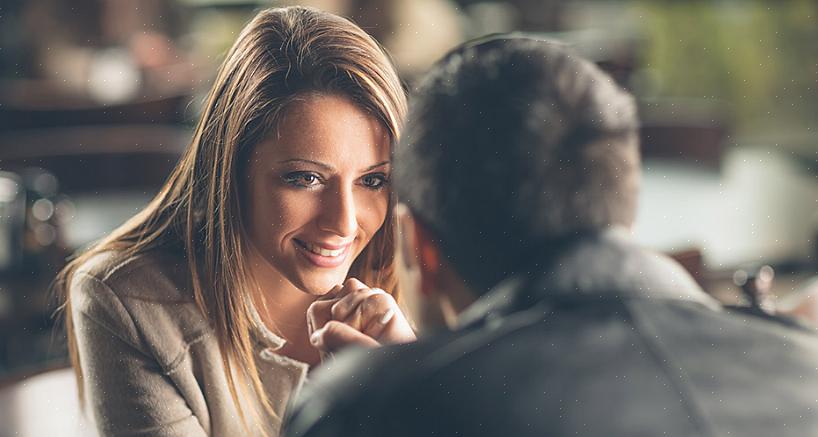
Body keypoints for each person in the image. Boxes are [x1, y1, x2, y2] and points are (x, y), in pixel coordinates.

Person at [284, 36, 818, 436]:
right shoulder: (805, 366)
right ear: (621, 209)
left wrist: (397, 386)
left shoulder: (364, 410)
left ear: (417, 245)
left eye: (374, 182)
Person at [55, 6, 416, 436]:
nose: (343, 222)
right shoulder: (127, 303)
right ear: (232, 169)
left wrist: (416, 382)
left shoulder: (419, 277)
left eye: (372, 180)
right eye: (305, 178)